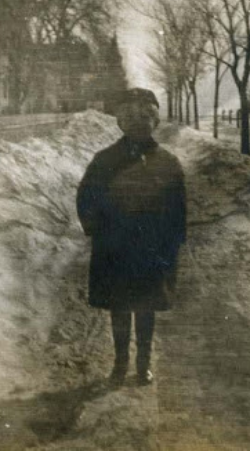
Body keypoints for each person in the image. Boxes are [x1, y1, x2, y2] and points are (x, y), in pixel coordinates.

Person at [76, 88, 187, 386]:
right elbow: (86, 198)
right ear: (120, 122)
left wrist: (173, 244)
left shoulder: (167, 163)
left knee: (146, 308)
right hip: (116, 249)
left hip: (151, 250)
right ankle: (120, 364)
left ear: (155, 120)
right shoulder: (104, 161)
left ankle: (143, 364)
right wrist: (97, 230)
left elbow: (178, 209)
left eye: (145, 116)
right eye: (129, 116)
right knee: (120, 309)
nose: (137, 123)